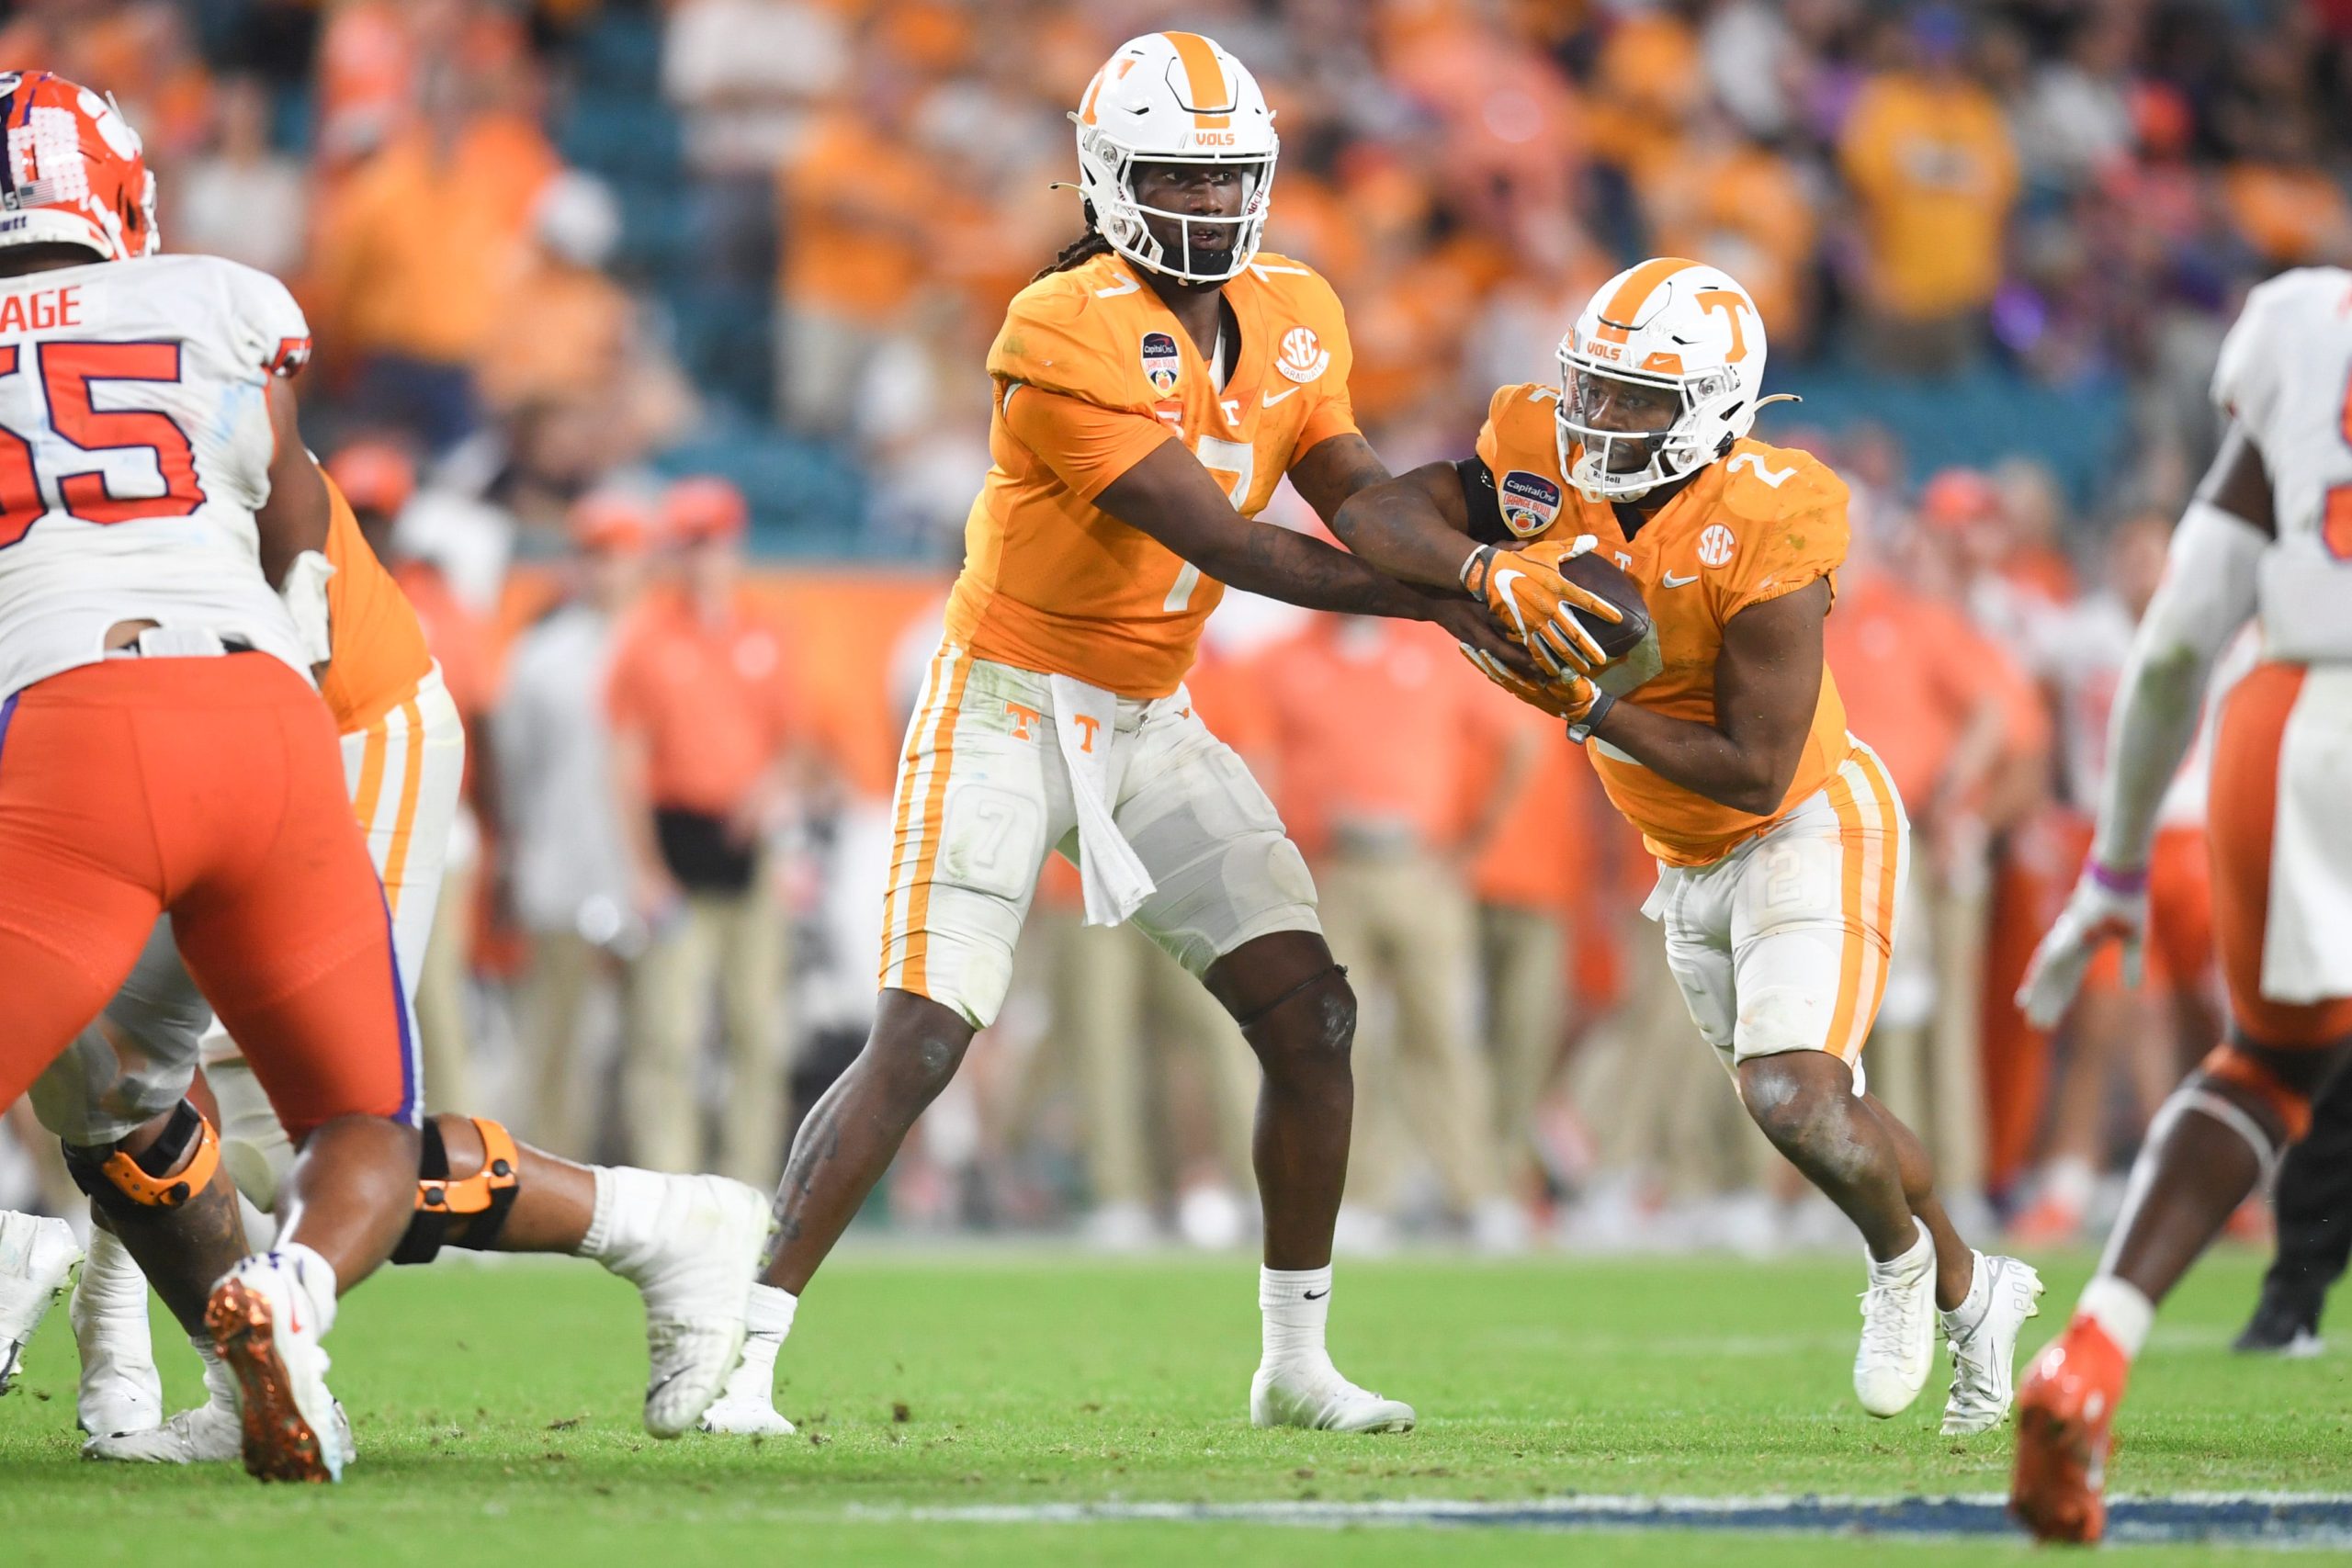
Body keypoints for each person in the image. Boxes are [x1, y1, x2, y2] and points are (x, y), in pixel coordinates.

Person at [699, 31, 1518, 1438]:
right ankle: (737, 1353)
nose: (1206, 210)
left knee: (1312, 1015)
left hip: (1150, 712)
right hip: (1009, 699)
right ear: (1106, 180)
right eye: (1175, 181)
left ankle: (1295, 1361)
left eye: (1225, 180)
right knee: (921, 1036)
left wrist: (1483, 546)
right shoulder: (1059, 323)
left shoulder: (1297, 308)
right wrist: (1460, 597)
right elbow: (1231, 541)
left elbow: (1362, 495)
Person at [1329, 257, 2041, 1433]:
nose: (1596, 420)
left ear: (1712, 407)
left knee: (1794, 1097)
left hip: (1805, 819)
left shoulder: (1772, 515)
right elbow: (1375, 515)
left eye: (1634, 401)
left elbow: (1756, 768)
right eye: (1592, 389)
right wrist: (1484, 573)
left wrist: (1582, 700)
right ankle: (1975, 1284)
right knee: (1819, 1110)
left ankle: (1902, 1269)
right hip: (1682, 854)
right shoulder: (1538, 451)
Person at [29, 458, 770, 1464]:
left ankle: (663, 1223)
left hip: (328, 723)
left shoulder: (163, 372)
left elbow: (284, 524)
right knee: (105, 1066)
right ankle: (208, 1372)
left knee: (311, 1148)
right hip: (176, 732)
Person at [0, 71, 424, 1483]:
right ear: (118, 193)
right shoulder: (217, 298)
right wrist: (291, 659)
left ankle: (10, 1248)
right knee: (363, 1117)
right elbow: (296, 512)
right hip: (262, 712)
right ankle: (293, 1298)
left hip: (74, 727)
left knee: (90, 1092)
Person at [2010, 266, 2352, 1542]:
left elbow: (2174, 644)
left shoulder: (2302, 326)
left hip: (2293, 712)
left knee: (2270, 1064)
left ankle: (2091, 1349)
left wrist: (2113, 868)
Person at [606, 476, 808, 1185]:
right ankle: (673, 1178)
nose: (699, 560)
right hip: (676, 841)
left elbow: (790, 741)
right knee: (671, 1029)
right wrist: (644, 868)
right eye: (688, 546)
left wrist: (768, 791)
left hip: (747, 843)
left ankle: (749, 1180)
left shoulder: (763, 630)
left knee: (757, 1025)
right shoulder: (648, 636)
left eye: (709, 543)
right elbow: (626, 763)